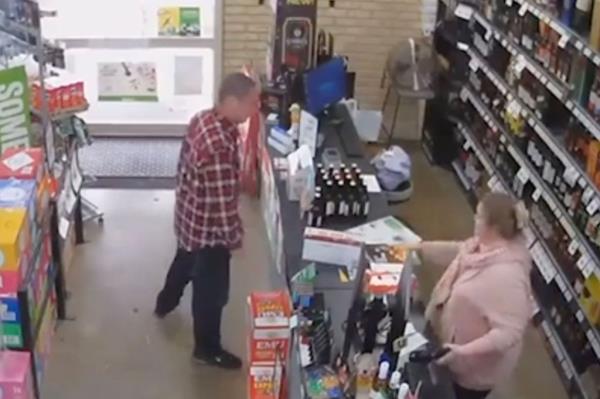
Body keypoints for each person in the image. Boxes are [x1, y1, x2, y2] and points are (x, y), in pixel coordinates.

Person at [154, 73, 260, 370]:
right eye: (252, 103)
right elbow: (222, 206)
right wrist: (236, 242)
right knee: (212, 294)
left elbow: (184, 169)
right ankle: (206, 347)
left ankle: (165, 302)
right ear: (231, 101)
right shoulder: (219, 147)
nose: (256, 109)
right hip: (209, 232)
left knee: (184, 259)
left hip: (189, 216)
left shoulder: (202, 119)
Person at [417, 192, 533, 399]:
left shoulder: (508, 277)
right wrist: (419, 249)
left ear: (494, 227)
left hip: (472, 371)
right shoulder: (483, 246)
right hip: (448, 345)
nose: (474, 219)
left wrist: (462, 351)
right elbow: (459, 252)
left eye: (479, 216)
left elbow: (509, 333)